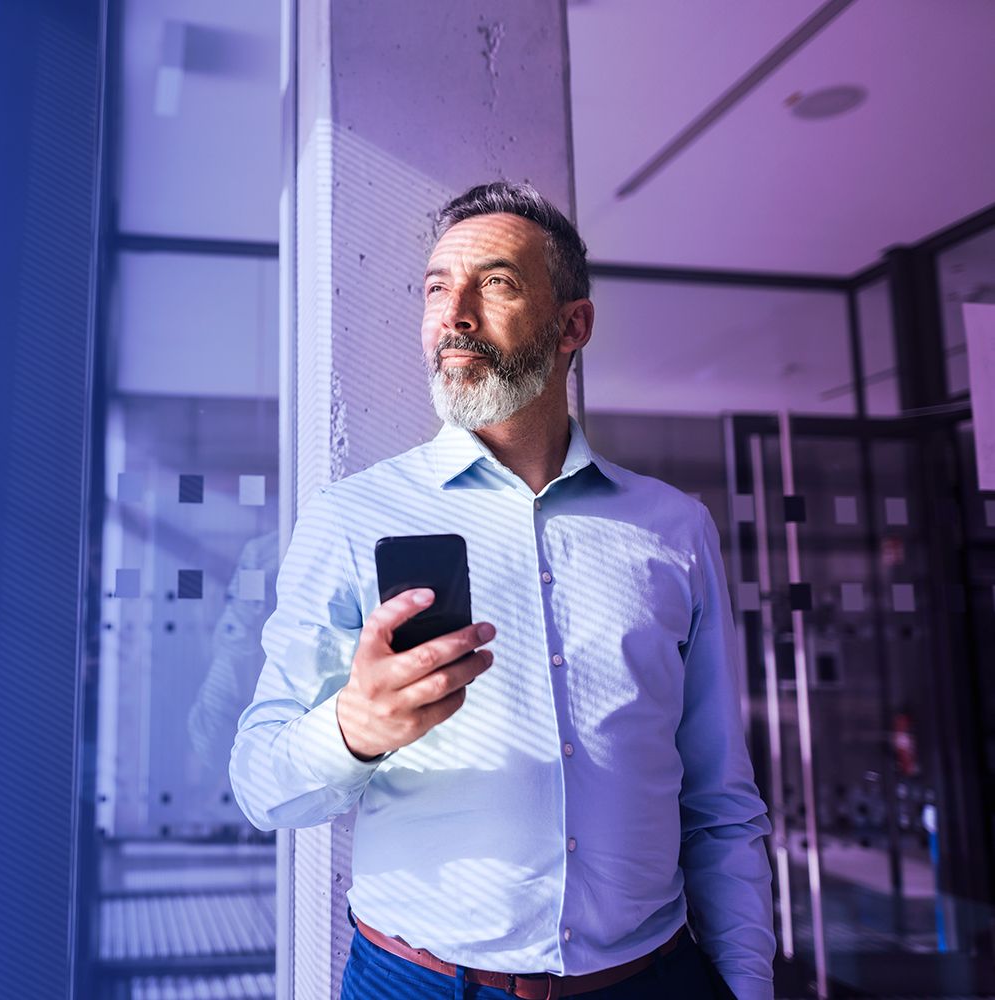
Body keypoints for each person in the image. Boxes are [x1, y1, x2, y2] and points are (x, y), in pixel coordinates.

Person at [228, 181, 773, 1000]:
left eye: (496, 284)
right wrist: (354, 728)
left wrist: (746, 982)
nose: (454, 313)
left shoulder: (675, 529)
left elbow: (719, 799)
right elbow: (261, 783)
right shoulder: (351, 517)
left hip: (653, 979)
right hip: (417, 984)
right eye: (437, 288)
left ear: (572, 325)